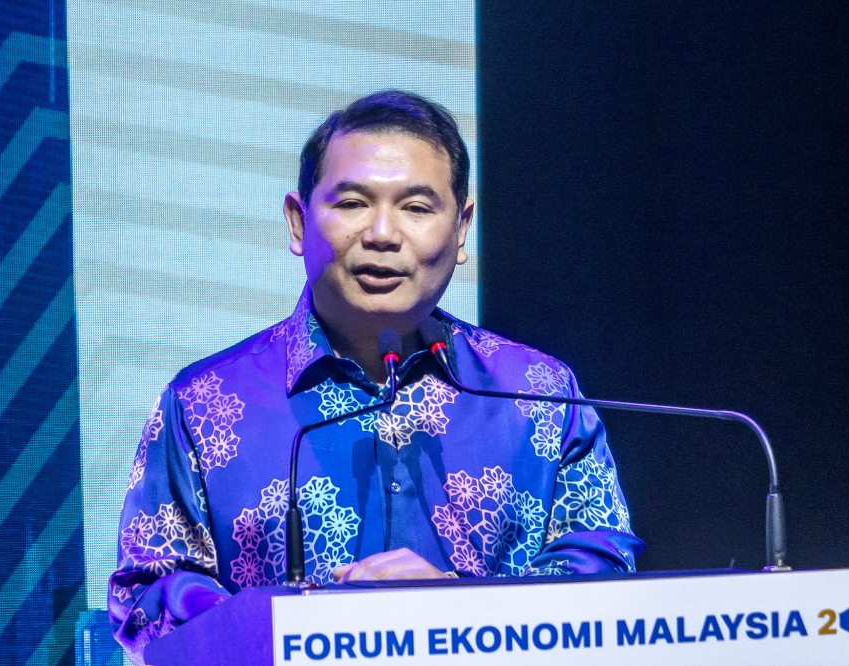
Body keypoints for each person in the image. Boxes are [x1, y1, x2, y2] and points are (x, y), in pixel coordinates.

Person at [109, 90, 644, 662]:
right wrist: (292, 631)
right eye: (353, 203)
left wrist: (464, 610)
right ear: (298, 222)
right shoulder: (203, 402)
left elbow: (603, 573)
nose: (383, 233)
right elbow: (147, 596)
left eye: (416, 208)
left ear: (462, 228)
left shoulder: (539, 393)